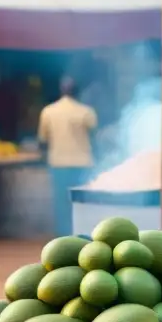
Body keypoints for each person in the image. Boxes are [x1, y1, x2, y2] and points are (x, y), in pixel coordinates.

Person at [38, 76, 97, 236]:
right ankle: (82, 233)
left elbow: (43, 139)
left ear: (61, 90)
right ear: (78, 91)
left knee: (62, 202)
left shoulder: (48, 112)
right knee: (81, 202)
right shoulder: (86, 112)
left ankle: (63, 236)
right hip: (83, 162)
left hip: (58, 163)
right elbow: (94, 136)